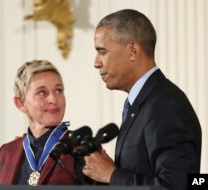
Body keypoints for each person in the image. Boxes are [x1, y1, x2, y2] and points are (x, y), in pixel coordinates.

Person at [82, 9, 202, 190]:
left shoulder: (165, 104)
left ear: (132, 51)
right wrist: (109, 173)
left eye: (102, 51)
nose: (96, 62)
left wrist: (112, 175)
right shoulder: (140, 102)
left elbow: (178, 185)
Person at [0, 60, 83, 185]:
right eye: (42, 93)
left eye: (58, 90)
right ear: (21, 103)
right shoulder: (7, 152)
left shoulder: (82, 147)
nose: (53, 99)